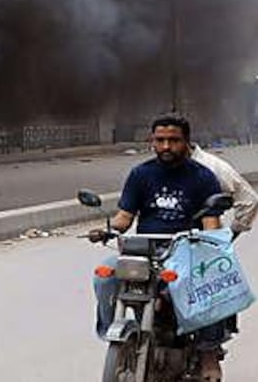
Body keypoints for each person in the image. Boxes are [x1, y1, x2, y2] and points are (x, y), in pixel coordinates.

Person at [90, 114, 229, 381]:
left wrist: (212, 244)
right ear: (152, 142)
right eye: (160, 140)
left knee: (210, 283)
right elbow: (124, 218)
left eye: (173, 140)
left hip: (185, 250)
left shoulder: (202, 177)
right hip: (144, 251)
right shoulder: (141, 174)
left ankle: (209, 354)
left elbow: (212, 222)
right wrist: (107, 229)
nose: (166, 146)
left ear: (186, 142)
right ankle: (113, 335)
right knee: (104, 274)